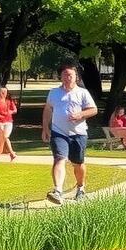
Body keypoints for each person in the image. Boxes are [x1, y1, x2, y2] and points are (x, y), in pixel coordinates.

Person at [42, 64, 98, 203]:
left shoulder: (82, 93)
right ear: (60, 77)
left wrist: (80, 114)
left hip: (78, 133)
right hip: (58, 132)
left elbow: (93, 110)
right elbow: (48, 110)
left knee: (78, 163)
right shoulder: (54, 92)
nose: (67, 78)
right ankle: (58, 191)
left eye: (70, 75)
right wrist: (45, 128)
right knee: (59, 158)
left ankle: (80, 188)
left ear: (76, 77)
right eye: (64, 75)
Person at [0, 86, 19, 161]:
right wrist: (0, 116)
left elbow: (15, 109)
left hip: (8, 121)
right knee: (3, 135)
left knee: (4, 136)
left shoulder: (9, 101)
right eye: (2, 92)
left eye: (5, 92)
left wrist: (11, 112)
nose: (4, 93)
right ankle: (11, 152)